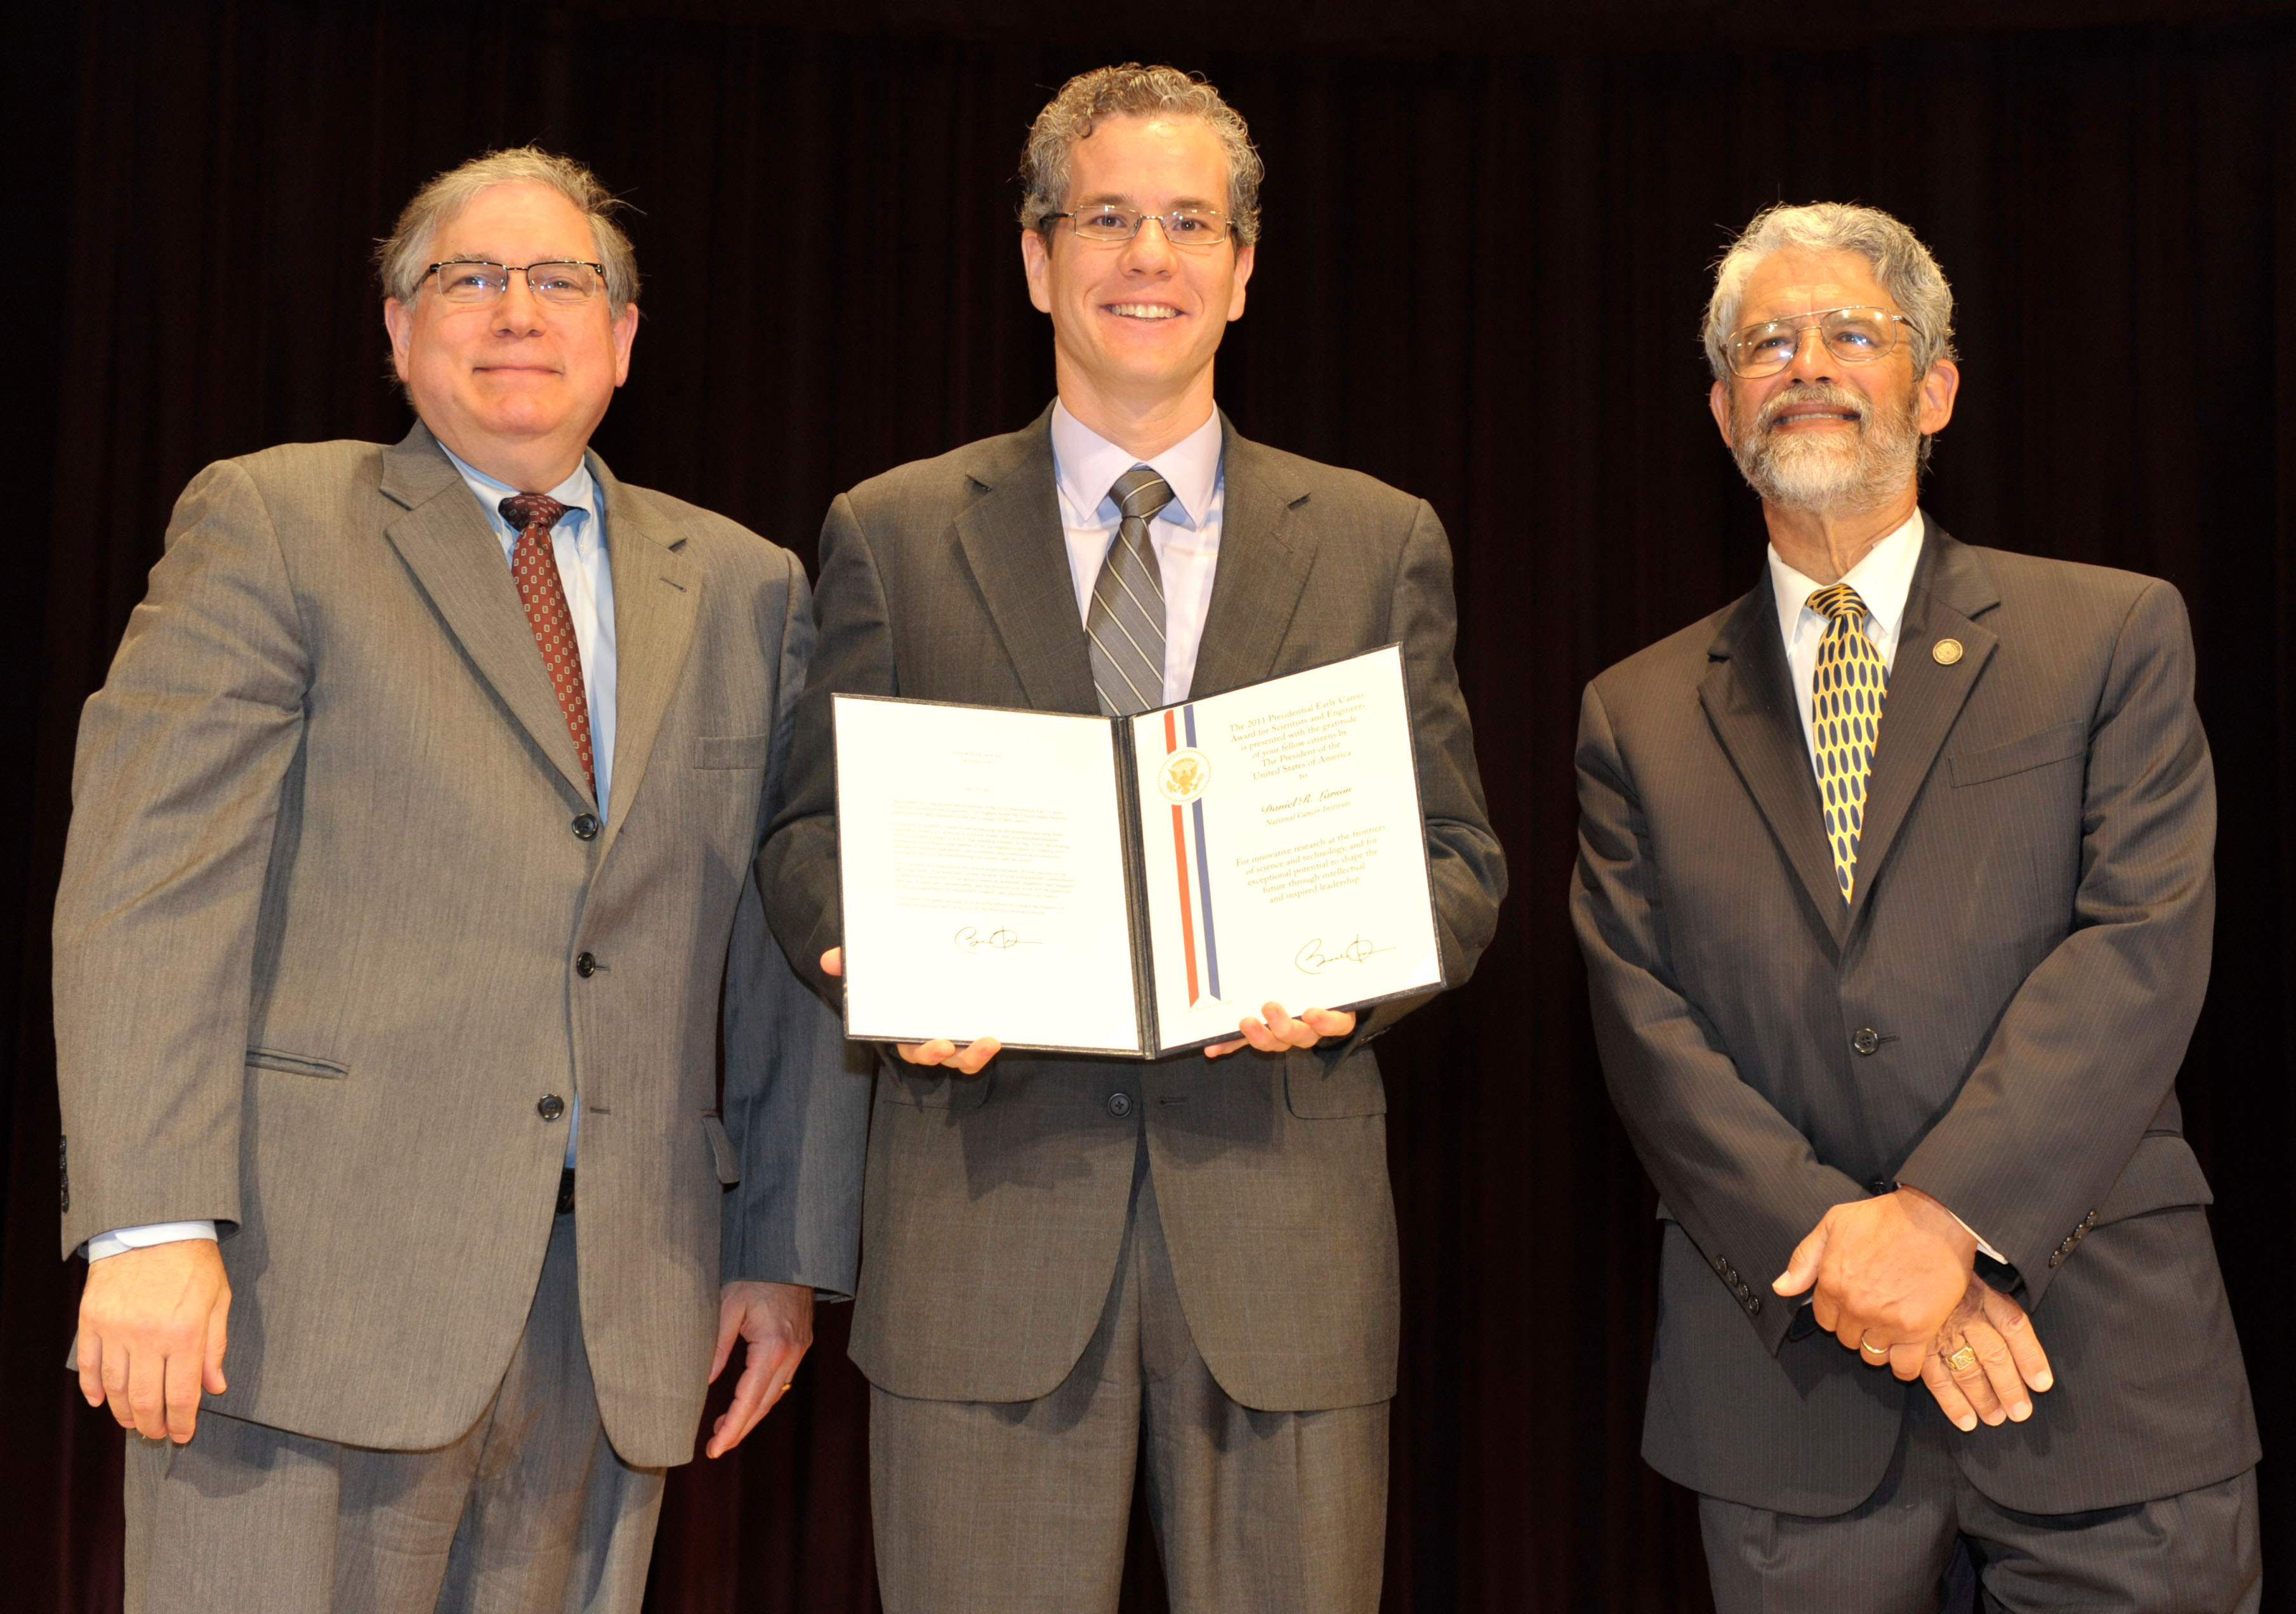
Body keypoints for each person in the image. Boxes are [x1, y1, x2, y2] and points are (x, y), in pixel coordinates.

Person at [55, 146, 866, 1613]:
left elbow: (785, 936)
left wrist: (783, 1248)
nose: (515, 311)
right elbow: (147, 889)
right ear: (395, 329)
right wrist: (150, 1226)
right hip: (297, 1301)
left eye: (562, 281)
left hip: (615, 1309)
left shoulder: (750, 587)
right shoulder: (274, 524)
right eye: (467, 278)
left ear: (624, 338)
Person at [759, 63, 1506, 1614]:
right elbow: (811, 833)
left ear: (1244, 267)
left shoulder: (1378, 541)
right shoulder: (892, 529)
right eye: (1107, 218)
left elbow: (1455, 859)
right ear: (1038, 259)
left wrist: (1354, 978)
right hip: (985, 1237)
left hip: (1283, 1248)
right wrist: (889, 967)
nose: (1146, 259)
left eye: (1188, 223)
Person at [1571, 200, 2259, 1611]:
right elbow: (1646, 1027)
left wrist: (1940, 1226)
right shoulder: (1632, 712)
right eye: (1767, 342)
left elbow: (2139, 949)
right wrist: (1850, 1257)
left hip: (2098, 1372)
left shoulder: (2111, 633)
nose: (1807, 363)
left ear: (1933, 389)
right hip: (1792, 1398)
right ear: (1721, 409)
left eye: (1851, 333)